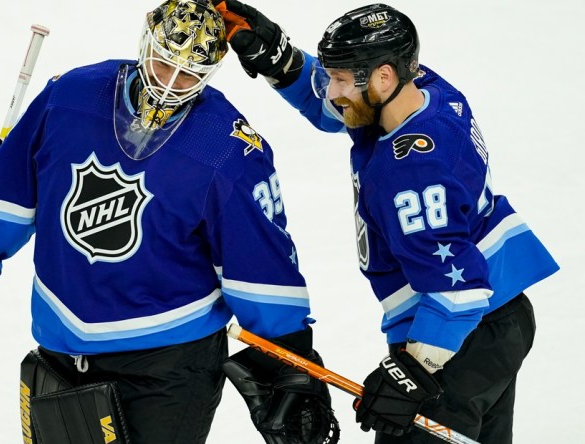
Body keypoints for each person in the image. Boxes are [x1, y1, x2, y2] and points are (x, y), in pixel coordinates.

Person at [0, 1, 341, 443]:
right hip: (60, 348)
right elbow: (8, 190)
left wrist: (290, 361)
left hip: (167, 366)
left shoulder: (230, 151)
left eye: (188, 75)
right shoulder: (69, 97)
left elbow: (258, 266)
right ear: (146, 41)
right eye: (164, 64)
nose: (169, 85)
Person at [211, 1, 559, 443]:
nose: (330, 89)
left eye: (338, 79)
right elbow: (337, 109)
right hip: (500, 317)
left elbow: (460, 291)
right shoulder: (422, 91)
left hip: (456, 335)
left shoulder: (412, 173)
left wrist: (412, 371)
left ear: (383, 77)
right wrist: (281, 60)